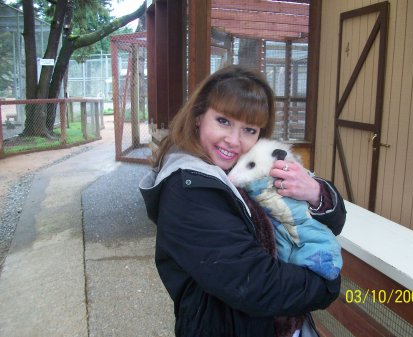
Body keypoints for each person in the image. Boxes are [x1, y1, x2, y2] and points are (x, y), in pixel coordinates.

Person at [140, 65, 346, 337]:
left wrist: (316, 193)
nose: (234, 141)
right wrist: (327, 285)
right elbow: (255, 284)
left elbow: (335, 219)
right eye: (223, 121)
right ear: (199, 115)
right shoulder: (188, 190)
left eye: (249, 129)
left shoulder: (238, 169)